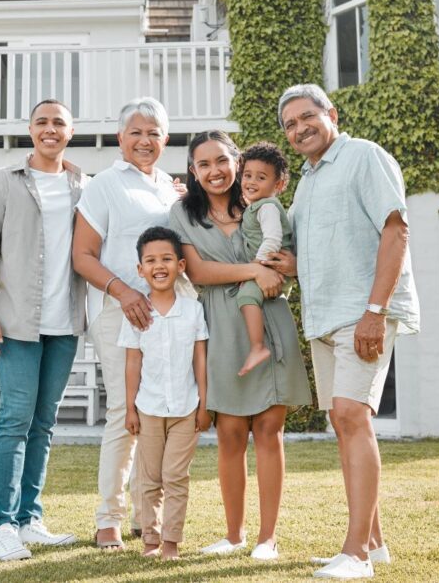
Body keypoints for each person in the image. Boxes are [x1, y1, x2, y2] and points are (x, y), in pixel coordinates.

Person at [266, 84, 420, 580]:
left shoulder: (364, 157)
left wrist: (376, 310)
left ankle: (354, 555)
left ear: (331, 114)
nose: (299, 128)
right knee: (343, 421)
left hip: (362, 312)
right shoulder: (307, 182)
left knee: (353, 415)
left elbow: (395, 230)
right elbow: (311, 254)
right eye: (290, 124)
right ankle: (372, 544)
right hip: (324, 316)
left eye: (307, 117)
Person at [168, 130, 312, 561]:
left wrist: (284, 270)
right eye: (203, 164)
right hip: (220, 328)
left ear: (236, 160)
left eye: (221, 161)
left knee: (269, 430)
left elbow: (287, 259)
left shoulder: (260, 202)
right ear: (193, 172)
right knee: (229, 433)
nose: (215, 171)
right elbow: (196, 271)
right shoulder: (182, 213)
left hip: (268, 321)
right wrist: (254, 271)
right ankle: (234, 535)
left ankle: (267, 537)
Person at [0, 99, 87, 561]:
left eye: (59, 122)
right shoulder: (3, 181)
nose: (50, 129)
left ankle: (29, 519)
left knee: (44, 423)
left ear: (70, 132)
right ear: (30, 130)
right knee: (13, 422)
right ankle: (2, 525)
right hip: (15, 323)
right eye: (42, 122)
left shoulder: (85, 186)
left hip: (64, 326)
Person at [72, 97, 184, 550]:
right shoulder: (102, 186)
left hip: (166, 315)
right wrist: (124, 291)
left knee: (157, 411)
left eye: (153, 132)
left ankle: (145, 514)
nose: (144, 140)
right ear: (120, 139)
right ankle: (107, 518)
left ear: (165, 140)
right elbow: (82, 255)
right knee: (126, 412)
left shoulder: (169, 189)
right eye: (135, 132)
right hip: (120, 310)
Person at [119, 226, 210, 561]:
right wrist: (130, 409)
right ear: (140, 269)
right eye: (151, 260)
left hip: (186, 408)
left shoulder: (193, 310)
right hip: (149, 408)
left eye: (167, 259)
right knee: (149, 479)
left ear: (181, 266)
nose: (159, 266)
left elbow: (200, 358)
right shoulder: (137, 314)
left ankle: (171, 542)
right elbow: (132, 364)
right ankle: (150, 541)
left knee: (175, 476)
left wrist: (204, 402)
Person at [235, 142, 294, 377]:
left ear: (278, 185)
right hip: (265, 267)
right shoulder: (255, 206)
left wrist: (256, 268)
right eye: (247, 175)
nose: (251, 182)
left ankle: (258, 347)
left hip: (271, 266)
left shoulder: (268, 207)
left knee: (246, 295)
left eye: (261, 177)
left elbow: (272, 240)